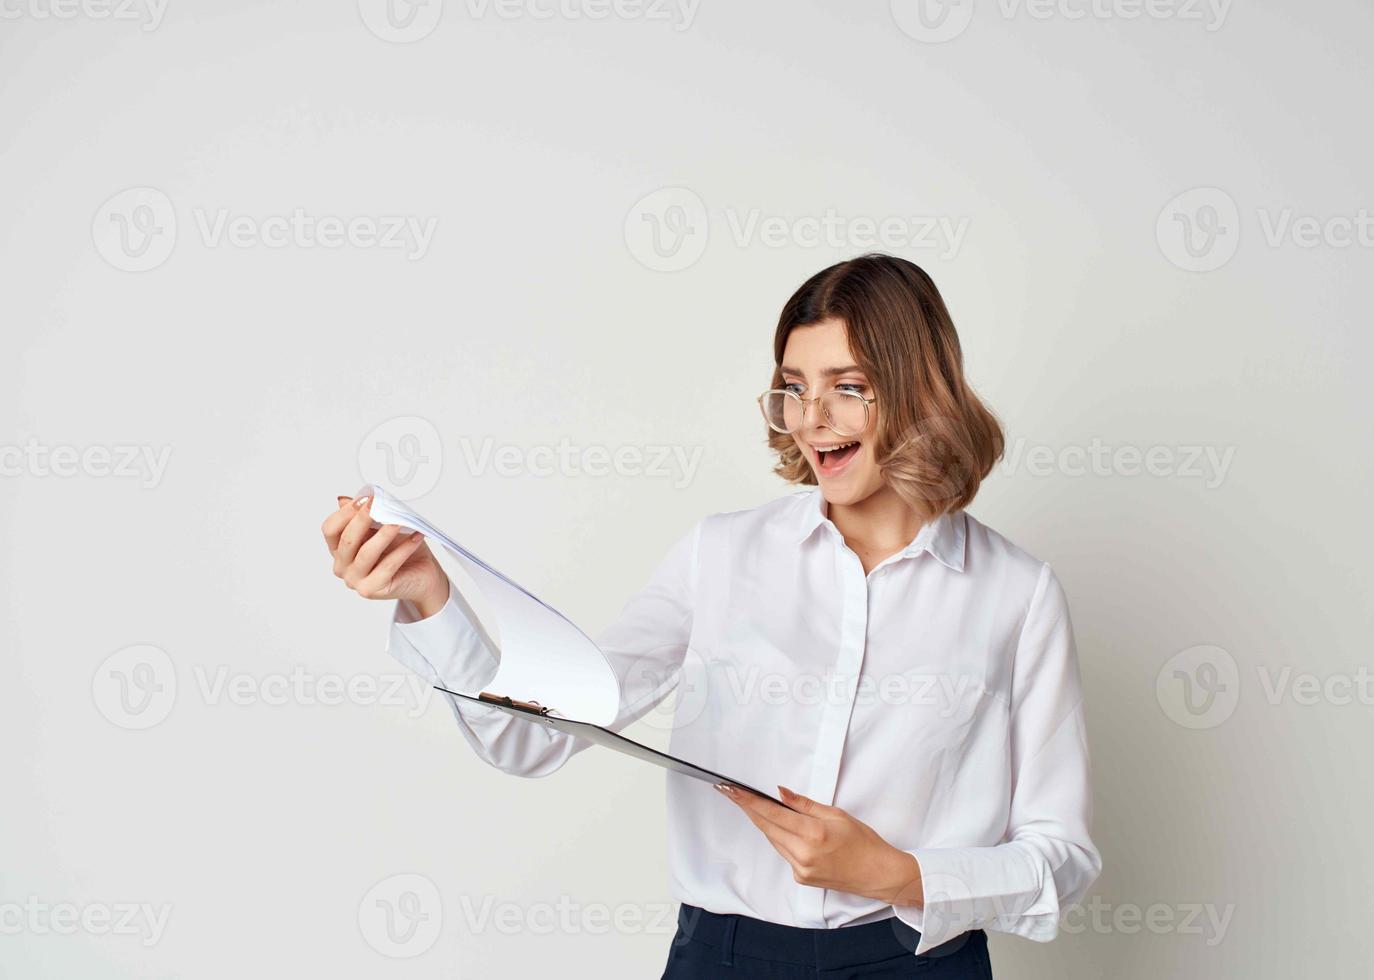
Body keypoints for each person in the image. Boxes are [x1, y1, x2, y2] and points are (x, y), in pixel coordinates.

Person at [321, 254, 1101, 977]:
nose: (811, 416)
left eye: (849, 385)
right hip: (726, 961)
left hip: (920, 961)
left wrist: (895, 874)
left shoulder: (1016, 594)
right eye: (794, 385)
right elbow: (528, 738)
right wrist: (428, 595)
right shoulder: (720, 556)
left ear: (920, 392)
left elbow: (1062, 857)